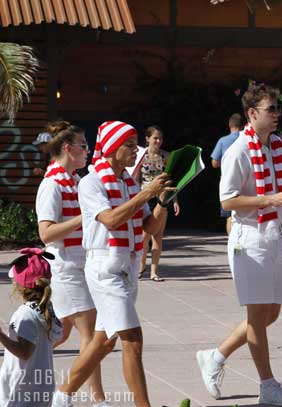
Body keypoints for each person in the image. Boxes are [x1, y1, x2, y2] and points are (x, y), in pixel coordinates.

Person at [51, 121, 174, 407]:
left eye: (135, 144)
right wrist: (146, 193)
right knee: (132, 339)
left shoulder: (129, 182)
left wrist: (164, 201)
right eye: (129, 145)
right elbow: (110, 219)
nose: (136, 150)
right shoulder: (91, 182)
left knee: (103, 342)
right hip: (105, 270)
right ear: (112, 148)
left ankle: (62, 395)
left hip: (127, 268)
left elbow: (150, 227)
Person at [195, 83, 282, 405]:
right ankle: (267, 386)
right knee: (258, 316)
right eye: (272, 109)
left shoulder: (276, 147)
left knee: (271, 314)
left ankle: (215, 356)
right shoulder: (239, 149)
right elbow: (226, 201)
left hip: (272, 235)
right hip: (248, 238)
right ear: (252, 114)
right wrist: (269, 199)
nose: (277, 114)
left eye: (278, 108)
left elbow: (280, 188)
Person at [35, 121, 109, 405]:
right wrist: (86, 217)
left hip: (81, 263)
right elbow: (46, 233)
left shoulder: (76, 181)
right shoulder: (51, 184)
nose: (88, 151)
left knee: (60, 333)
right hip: (65, 266)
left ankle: (20, 361)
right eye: (83, 145)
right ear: (68, 148)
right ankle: (97, 399)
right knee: (91, 334)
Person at [0, 248, 63, 406]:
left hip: (23, 388)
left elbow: (24, 352)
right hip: (41, 387)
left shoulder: (25, 315)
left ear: (19, 286)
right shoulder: (47, 308)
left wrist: (1, 336)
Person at [133, 126, 180, 282]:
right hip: (145, 197)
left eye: (160, 138)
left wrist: (174, 200)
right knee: (144, 235)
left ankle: (154, 271)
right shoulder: (140, 156)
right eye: (155, 138)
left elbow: (172, 180)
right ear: (147, 139)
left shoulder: (166, 156)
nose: (158, 141)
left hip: (162, 198)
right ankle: (141, 267)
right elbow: (136, 178)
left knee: (158, 236)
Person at [211, 114, 243, 235]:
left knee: (229, 215)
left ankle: (232, 243)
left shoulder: (223, 141)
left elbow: (214, 163)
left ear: (230, 126)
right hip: (246, 181)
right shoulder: (248, 139)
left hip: (228, 181)